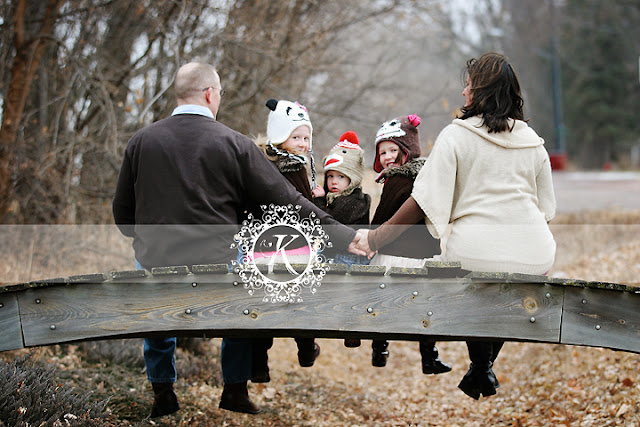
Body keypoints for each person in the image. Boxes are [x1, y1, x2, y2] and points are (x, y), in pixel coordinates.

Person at [112, 63, 362, 417]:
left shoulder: (141, 141)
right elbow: (287, 202)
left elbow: (123, 215)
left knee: (155, 300)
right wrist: (343, 235)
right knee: (244, 289)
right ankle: (234, 389)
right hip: (217, 262)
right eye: (219, 93)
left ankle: (163, 391)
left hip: (156, 259)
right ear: (210, 94)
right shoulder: (234, 143)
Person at [358, 52, 556, 400]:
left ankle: (481, 365)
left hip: (476, 254)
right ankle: (483, 368)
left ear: (481, 91)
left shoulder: (456, 135)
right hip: (536, 254)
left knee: (472, 274)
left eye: (468, 85)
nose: (464, 92)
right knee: (506, 278)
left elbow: (423, 201)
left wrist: (375, 238)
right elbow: (547, 209)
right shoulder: (533, 142)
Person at [367, 114, 451, 375]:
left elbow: (384, 215)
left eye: (393, 150)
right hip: (424, 254)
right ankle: (429, 357)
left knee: (383, 304)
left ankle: (379, 348)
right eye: (382, 153)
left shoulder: (399, 179)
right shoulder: (424, 177)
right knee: (425, 308)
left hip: (396, 254)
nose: (387, 157)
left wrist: (371, 237)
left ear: (408, 150)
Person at [249, 98, 322, 385]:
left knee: (264, 304)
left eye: (306, 138)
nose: (303, 143)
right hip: (292, 245)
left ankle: (259, 363)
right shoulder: (292, 166)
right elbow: (301, 206)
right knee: (300, 301)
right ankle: (306, 349)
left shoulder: (262, 164)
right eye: (296, 137)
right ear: (280, 137)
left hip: (264, 244)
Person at [313, 131, 371, 348]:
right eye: (330, 176)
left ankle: (351, 329)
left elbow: (331, 222)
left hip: (349, 257)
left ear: (352, 179)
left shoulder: (357, 200)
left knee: (348, 293)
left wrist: (319, 204)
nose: (334, 182)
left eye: (340, 177)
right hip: (334, 254)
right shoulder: (334, 199)